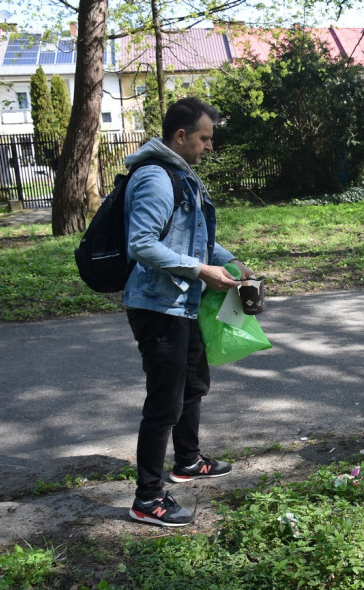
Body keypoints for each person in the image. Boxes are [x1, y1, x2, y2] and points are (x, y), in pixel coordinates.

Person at [123, 97, 254, 526]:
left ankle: (188, 460)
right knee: (164, 402)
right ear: (181, 136)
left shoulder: (182, 176)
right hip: (158, 306)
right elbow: (141, 243)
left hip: (183, 302)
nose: (209, 146)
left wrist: (232, 262)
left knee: (193, 384)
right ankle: (147, 499)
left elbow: (192, 239)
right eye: (204, 138)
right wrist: (202, 270)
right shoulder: (155, 179)